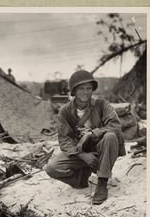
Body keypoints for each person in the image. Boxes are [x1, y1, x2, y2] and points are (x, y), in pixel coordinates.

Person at [44, 70, 125, 205]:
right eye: (81, 88)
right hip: (79, 152)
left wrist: (92, 133)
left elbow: (115, 126)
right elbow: (64, 140)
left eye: (88, 88)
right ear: (74, 91)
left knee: (110, 136)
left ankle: (102, 183)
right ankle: (80, 179)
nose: (86, 92)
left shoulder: (102, 105)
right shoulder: (65, 111)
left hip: (101, 151)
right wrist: (83, 155)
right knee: (51, 168)